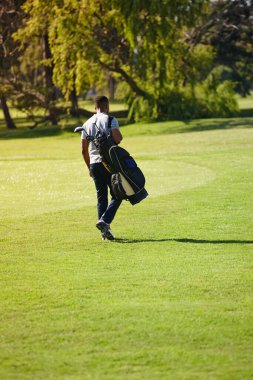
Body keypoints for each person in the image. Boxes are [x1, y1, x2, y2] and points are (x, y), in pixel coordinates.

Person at [81, 95, 123, 240]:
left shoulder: (86, 124)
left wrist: (89, 168)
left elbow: (83, 150)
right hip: (108, 163)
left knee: (101, 198)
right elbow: (117, 139)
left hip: (93, 164)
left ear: (95, 107)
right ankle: (105, 221)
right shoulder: (111, 120)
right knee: (118, 194)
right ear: (107, 106)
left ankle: (105, 233)